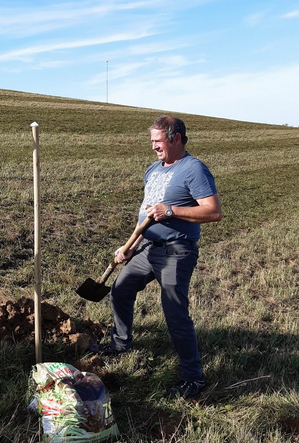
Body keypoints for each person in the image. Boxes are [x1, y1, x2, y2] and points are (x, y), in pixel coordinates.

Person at [93, 115, 222, 400]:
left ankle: (193, 380)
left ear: (176, 138)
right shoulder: (153, 170)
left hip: (177, 250)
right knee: (120, 290)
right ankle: (120, 343)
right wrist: (131, 246)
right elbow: (146, 217)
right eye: (151, 141)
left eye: (158, 141)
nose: (153, 146)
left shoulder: (194, 169)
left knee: (175, 314)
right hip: (148, 248)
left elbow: (213, 212)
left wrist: (172, 211)